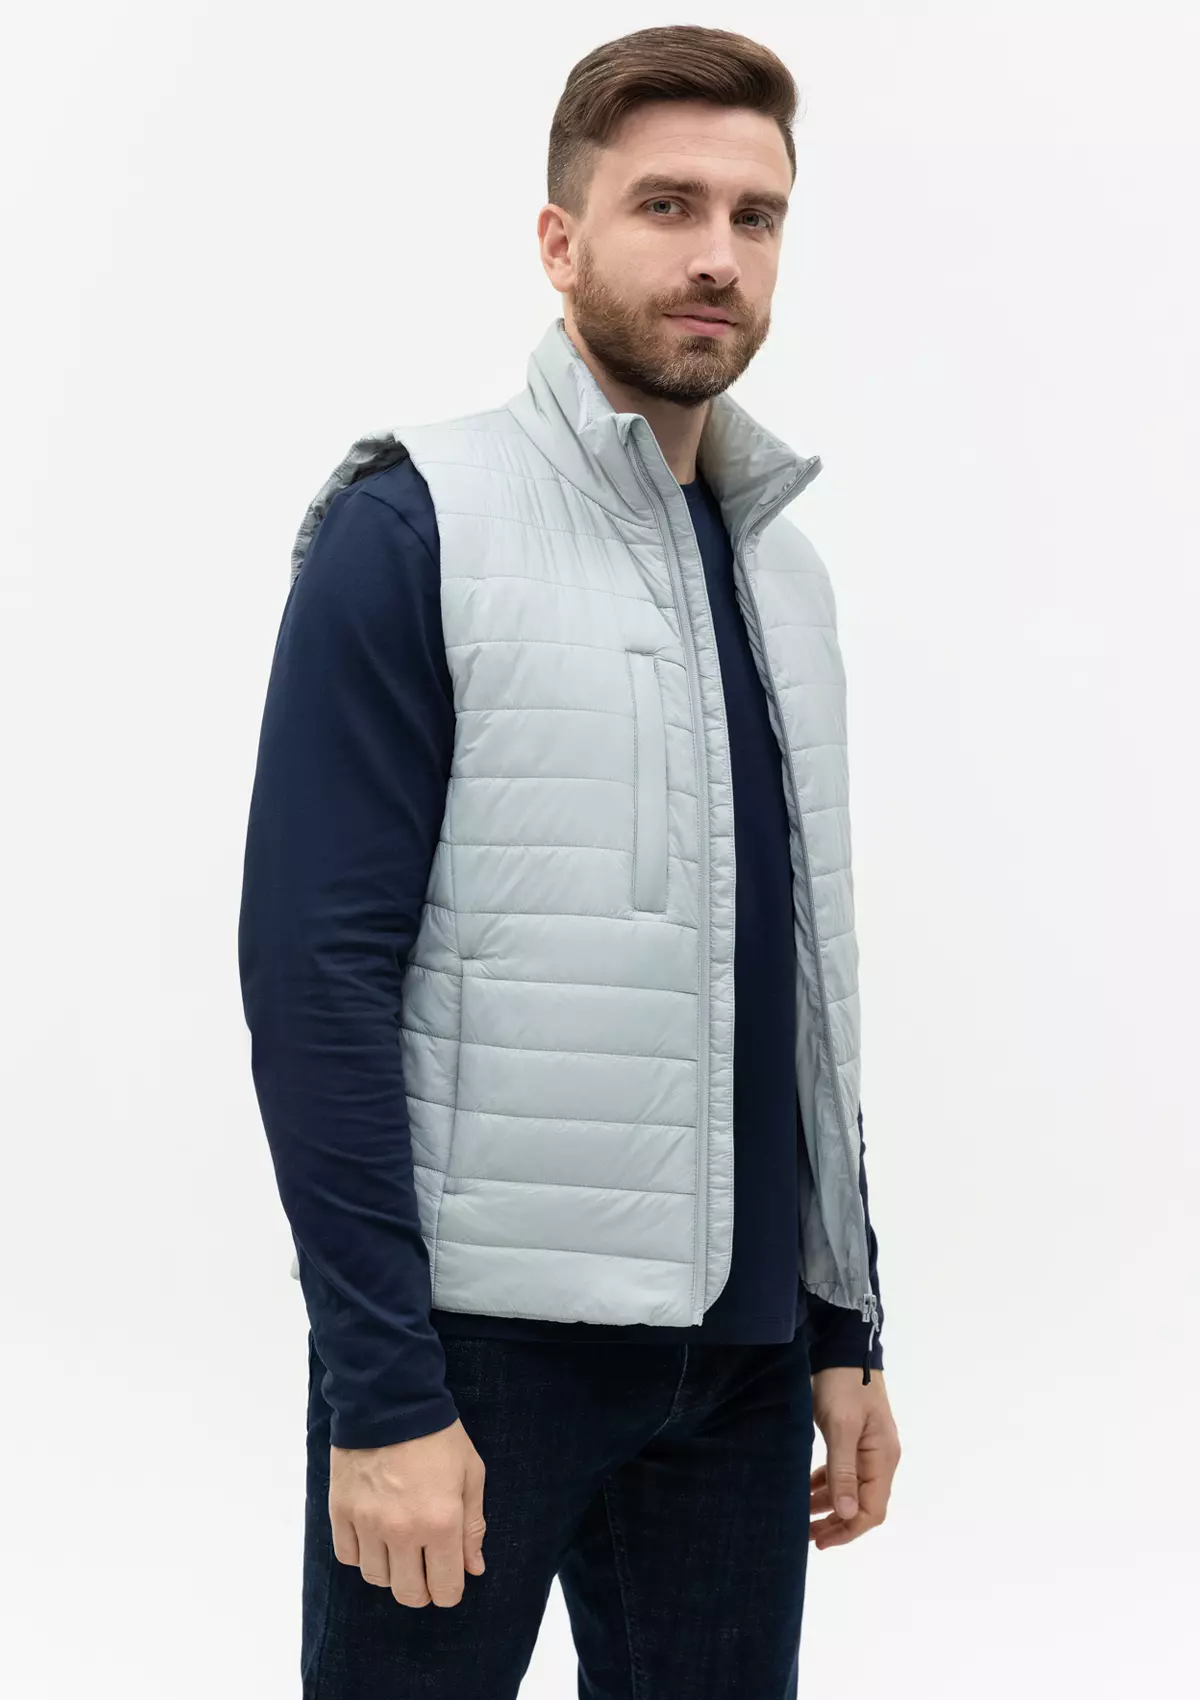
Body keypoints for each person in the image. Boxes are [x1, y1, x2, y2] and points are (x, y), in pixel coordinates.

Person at [238, 22, 902, 1698]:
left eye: (755, 216)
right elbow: (314, 978)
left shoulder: (784, 569)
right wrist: (383, 1390)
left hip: (742, 1367)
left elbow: (799, 982)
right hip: (476, 1361)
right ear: (559, 241)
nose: (716, 255)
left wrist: (843, 1325)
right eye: (666, 205)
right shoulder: (416, 524)